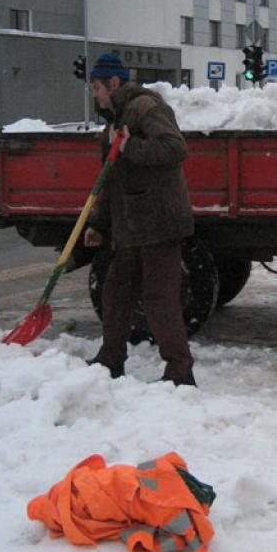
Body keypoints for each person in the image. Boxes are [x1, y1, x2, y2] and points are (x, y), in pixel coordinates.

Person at [83, 52, 197, 386]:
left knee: (160, 299)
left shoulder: (147, 108)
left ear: (113, 83)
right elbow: (113, 178)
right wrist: (99, 224)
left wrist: (131, 147)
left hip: (158, 222)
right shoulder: (115, 119)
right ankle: (111, 360)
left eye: (96, 88)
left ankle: (180, 372)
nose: (94, 95)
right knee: (115, 292)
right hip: (132, 226)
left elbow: (175, 149)